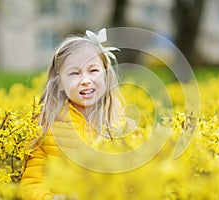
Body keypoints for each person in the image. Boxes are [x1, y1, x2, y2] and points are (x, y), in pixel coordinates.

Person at [19, 28, 134, 200]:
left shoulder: (120, 123)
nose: (86, 80)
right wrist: (51, 198)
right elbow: (31, 184)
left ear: (106, 74)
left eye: (93, 70)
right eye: (74, 73)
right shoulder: (46, 127)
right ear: (60, 83)